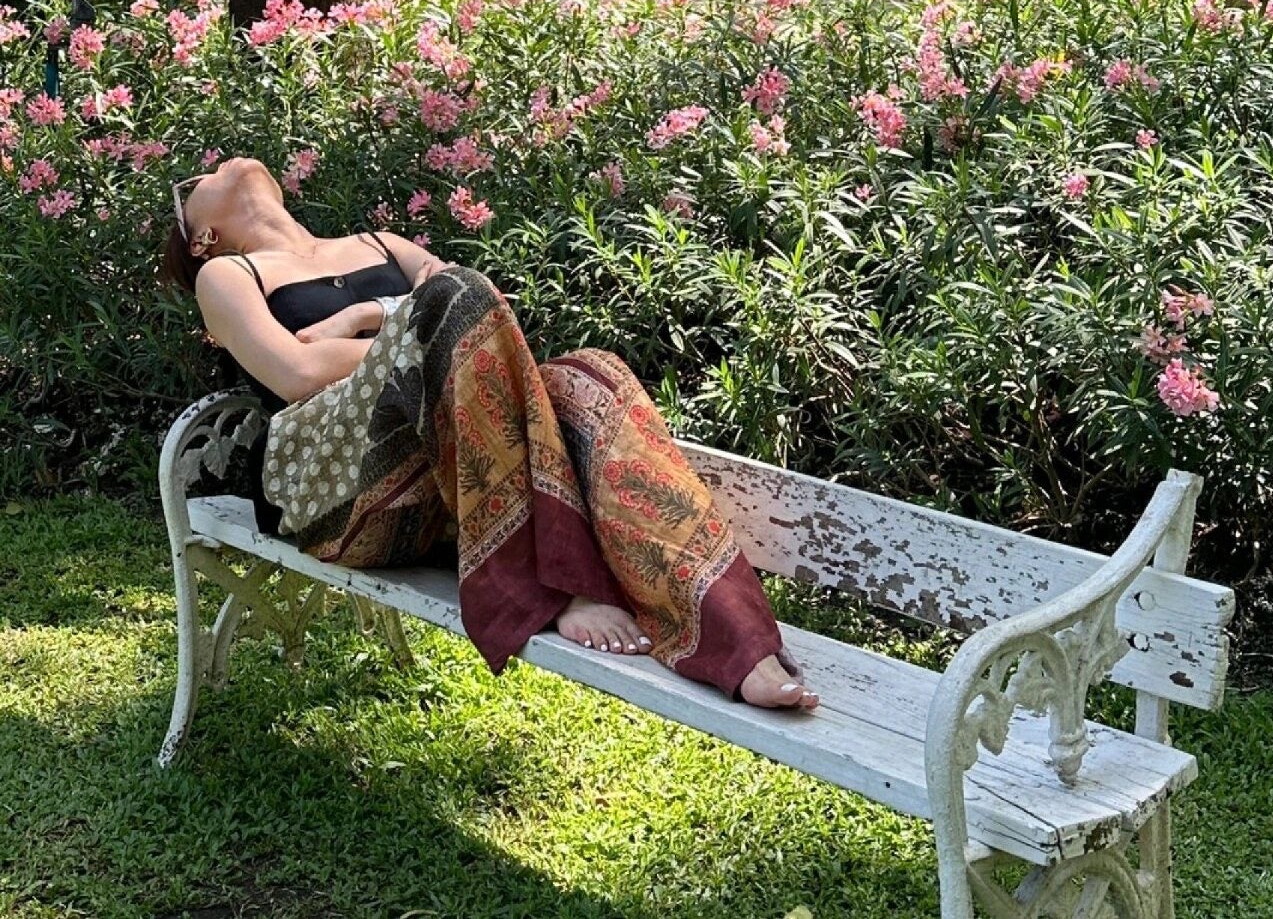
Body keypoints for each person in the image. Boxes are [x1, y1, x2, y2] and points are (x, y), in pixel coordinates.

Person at [160, 156, 819, 713]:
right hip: (330, 489)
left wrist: (363, 316)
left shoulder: (378, 245)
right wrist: (417, 330)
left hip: (444, 480)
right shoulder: (229, 276)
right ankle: (553, 584)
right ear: (202, 237)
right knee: (452, 303)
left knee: (594, 376)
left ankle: (733, 635)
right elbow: (297, 370)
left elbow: (487, 325)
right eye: (207, 174)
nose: (223, 164)